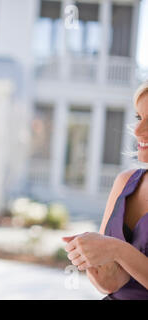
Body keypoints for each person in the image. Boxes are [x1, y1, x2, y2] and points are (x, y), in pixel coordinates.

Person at [63, 82, 148, 300]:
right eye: (139, 118)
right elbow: (110, 284)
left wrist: (117, 250)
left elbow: (117, 251)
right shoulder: (125, 182)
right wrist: (92, 263)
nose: (137, 130)